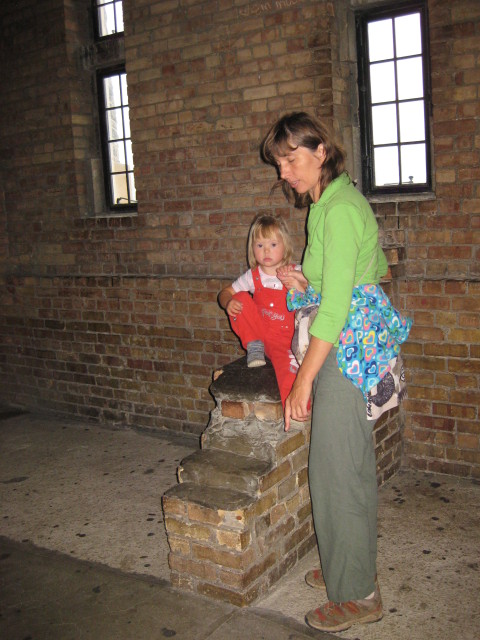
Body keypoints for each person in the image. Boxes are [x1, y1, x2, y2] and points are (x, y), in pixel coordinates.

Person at [260, 112, 412, 633]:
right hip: (345, 346)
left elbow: (338, 307)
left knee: (338, 470)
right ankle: (349, 566)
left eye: (291, 159)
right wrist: (303, 280)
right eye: (279, 163)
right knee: (343, 465)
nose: (284, 172)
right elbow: (354, 277)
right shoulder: (325, 205)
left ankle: (357, 594)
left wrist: (303, 380)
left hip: (346, 353)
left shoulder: (340, 209)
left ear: (321, 151)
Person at [218, 213, 301, 408]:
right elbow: (224, 293)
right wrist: (228, 302)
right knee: (239, 297)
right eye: (260, 245)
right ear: (252, 249)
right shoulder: (252, 276)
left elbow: (315, 294)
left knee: (291, 376)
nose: (266, 251)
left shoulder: (296, 271)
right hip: (260, 334)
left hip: (285, 341)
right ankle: (254, 347)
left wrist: (297, 284)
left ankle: (295, 414)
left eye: (273, 244)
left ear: (285, 245)